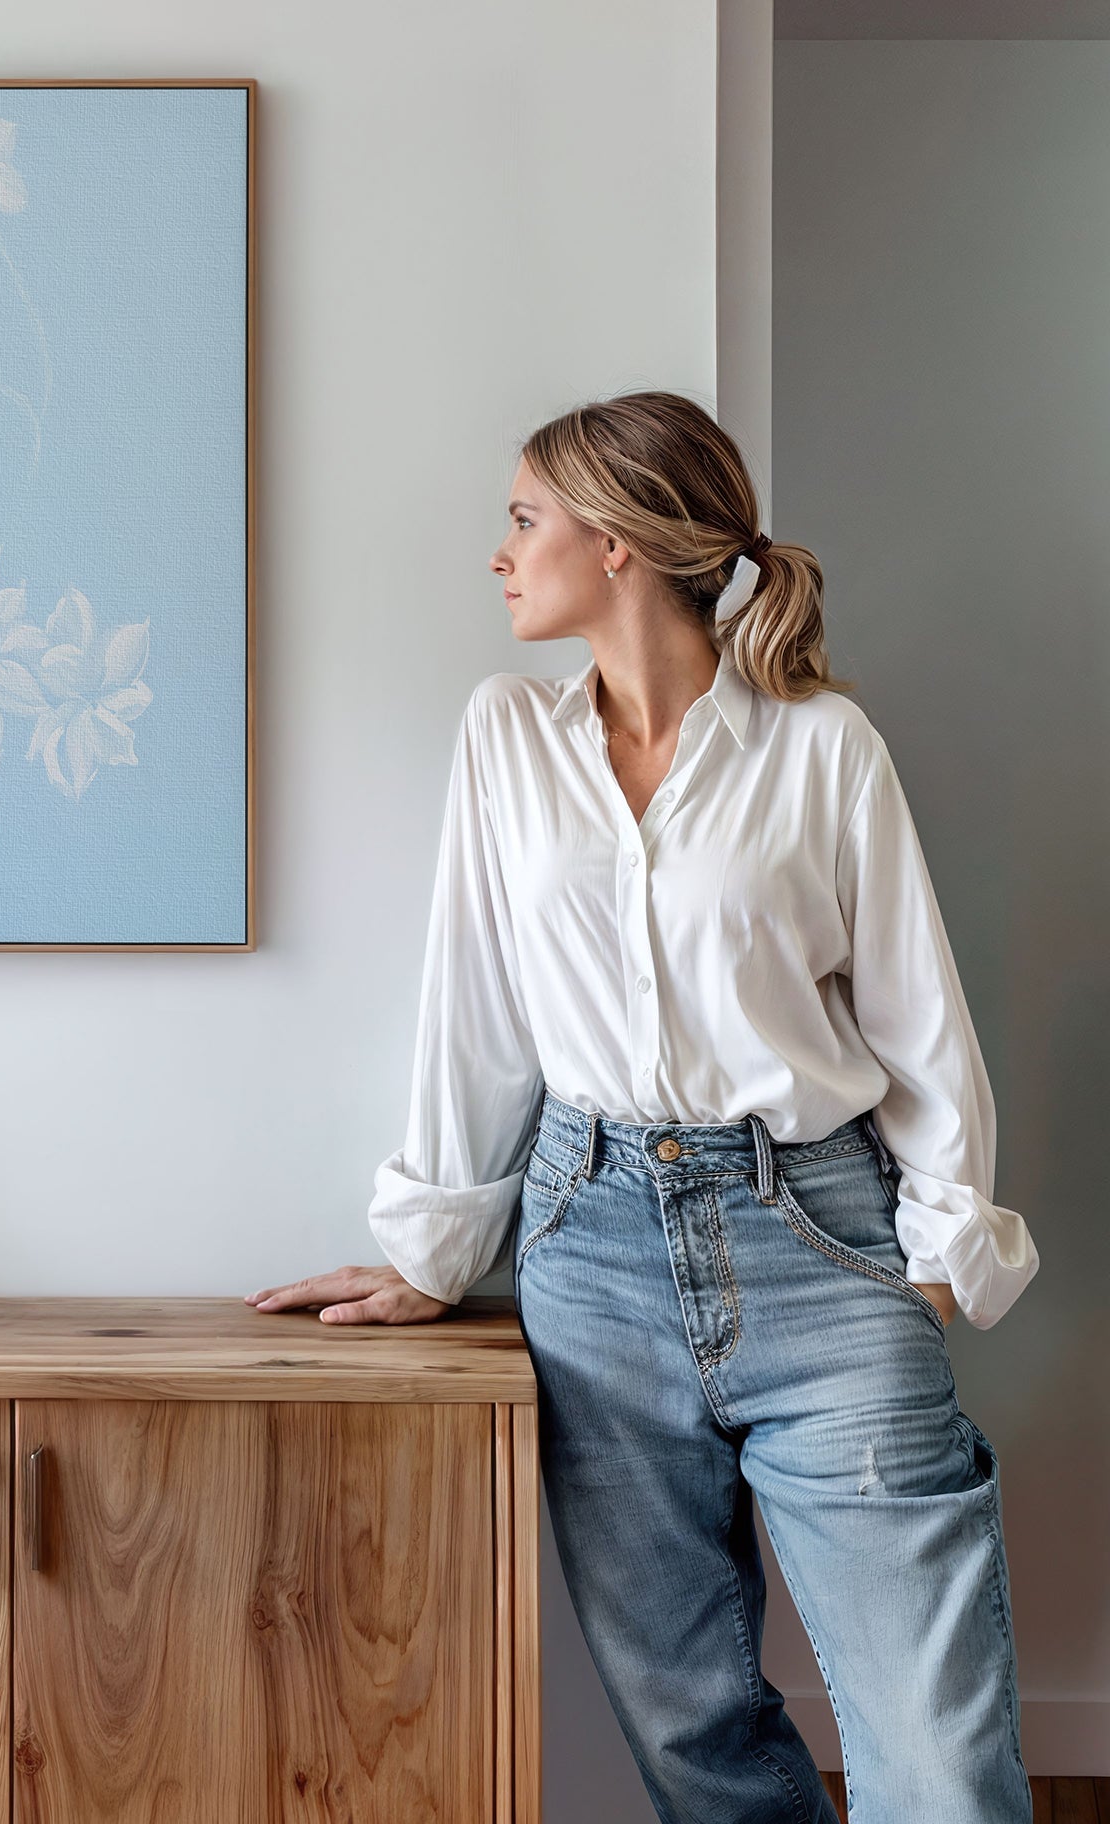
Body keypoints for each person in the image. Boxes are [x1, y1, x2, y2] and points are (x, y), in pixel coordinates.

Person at [246, 392, 1039, 1822]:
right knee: (694, 1735)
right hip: (590, 1248)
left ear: (616, 544)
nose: (500, 553)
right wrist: (438, 1248)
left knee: (936, 1749)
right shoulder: (506, 739)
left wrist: (936, 1254)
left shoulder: (821, 748)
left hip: (821, 1236)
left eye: (523, 518)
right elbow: (473, 1007)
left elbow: (920, 1018)